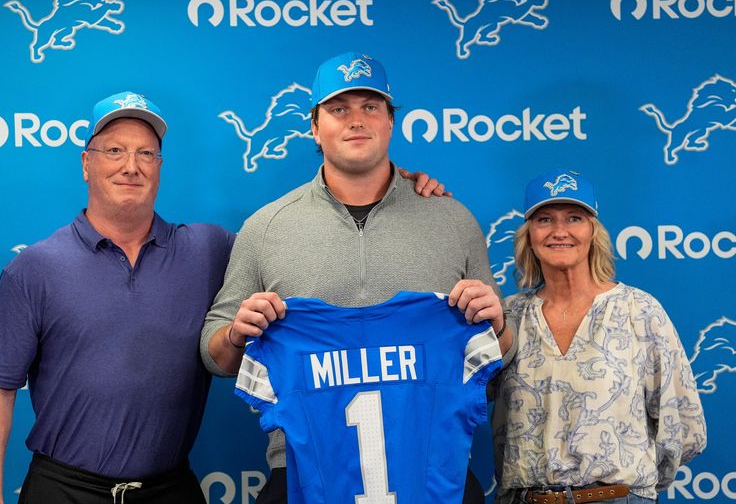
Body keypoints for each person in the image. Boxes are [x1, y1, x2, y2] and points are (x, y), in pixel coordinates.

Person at [200, 51, 514, 503]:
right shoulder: (265, 227)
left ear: (391, 121)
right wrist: (236, 334)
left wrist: (497, 323)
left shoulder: (451, 218)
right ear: (314, 126)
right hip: (306, 472)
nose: (356, 120)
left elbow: (497, 352)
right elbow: (215, 356)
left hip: (430, 467)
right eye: (338, 108)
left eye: (371, 106)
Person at [0, 92, 235, 504]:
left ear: (160, 168)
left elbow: (281, 263)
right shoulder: (35, 268)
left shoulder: (209, 251)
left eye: (146, 153)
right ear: (86, 164)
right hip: (63, 491)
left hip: (171, 489)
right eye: (115, 151)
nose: (131, 166)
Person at [491, 169, 707, 504]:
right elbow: (470, 402)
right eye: (544, 219)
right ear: (528, 235)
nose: (559, 231)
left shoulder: (638, 310)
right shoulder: (508, 316)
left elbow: (683, 425)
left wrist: (634, 490)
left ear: (594, 231)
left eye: (574, 218)